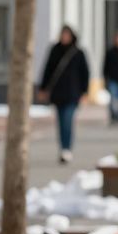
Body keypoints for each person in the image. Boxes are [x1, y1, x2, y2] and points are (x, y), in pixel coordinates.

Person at [39, 25, 90, 164]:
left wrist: (85, 91)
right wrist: (43, 88)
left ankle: (67, 149)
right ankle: (62, 148)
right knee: (61, 122)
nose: (64, 37)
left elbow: (85, 73)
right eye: (63, 34)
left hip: (73, 94)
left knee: (68, 121)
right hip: (58, 93)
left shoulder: (78, 53)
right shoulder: (55, 50)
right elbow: (48, 70)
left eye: (67, 35)